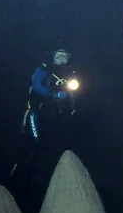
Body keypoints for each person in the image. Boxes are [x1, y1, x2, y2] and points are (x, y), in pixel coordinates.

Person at [10, 48, 80, 180]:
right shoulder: (44, 69)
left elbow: (74, 94)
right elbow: (36, 85)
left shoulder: (71, 73)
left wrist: (72, 108)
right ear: (53, 56)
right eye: (58, 55)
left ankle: (41, 180)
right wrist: (52, 95)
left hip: (55, 118)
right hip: (37, 114)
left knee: (52, 148)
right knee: (34, 145)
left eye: (64, 56)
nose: (61, 59)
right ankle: (16, 176)